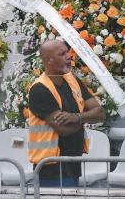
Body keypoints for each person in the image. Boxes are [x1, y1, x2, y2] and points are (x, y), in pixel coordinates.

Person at [25, 40, 106, 187]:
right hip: (50, 169)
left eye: (67, 52)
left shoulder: (72, 80)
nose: (69, 56)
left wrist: (76, 117)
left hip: (72, 165)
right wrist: (86, 118)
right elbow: (64, 130)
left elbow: (100, 113)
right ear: (49, 60)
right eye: (62, 54)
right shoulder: (39, 89)